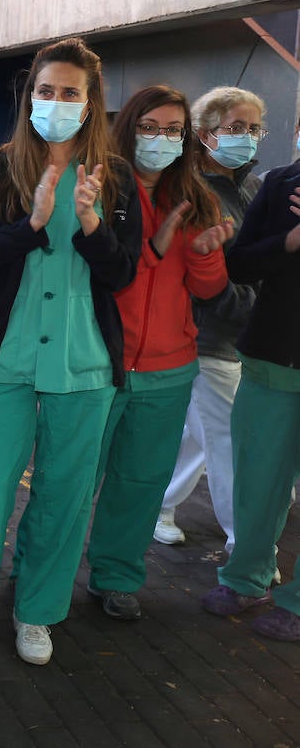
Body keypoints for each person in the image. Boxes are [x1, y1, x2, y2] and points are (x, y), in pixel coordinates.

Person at [0, 38, 141, 665]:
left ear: (91, 100)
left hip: (84, 363)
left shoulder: (116, 177)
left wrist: (94, 226)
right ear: (28, 98)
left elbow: (123, 274)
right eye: (44, 91)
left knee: (64, 494)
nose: (55, 102)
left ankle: (39, 611)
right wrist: (32, 226)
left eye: (69, 93)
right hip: (1, 359)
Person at [81, 85, 230, 620]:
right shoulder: (103, 189)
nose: (161, 139)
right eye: (150, 127)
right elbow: (108, 275)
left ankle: (116, 576)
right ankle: (37, 566)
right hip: (98, 363)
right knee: (71, 479)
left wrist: (207, 256)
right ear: (128, 130)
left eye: (173, 130)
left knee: (140, 484)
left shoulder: (196, 198)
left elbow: (209, 291)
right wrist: (155, 245)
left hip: (168, 369)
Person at [202, 109, 300, 642]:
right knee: (257, 480)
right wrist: (288, 242)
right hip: (268, 356)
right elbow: (238, 264)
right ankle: (245, 580)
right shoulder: (280, 183)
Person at [156, 87, 267, 549]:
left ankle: (158, 504)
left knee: (202, 434)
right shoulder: (191, 193)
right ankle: (247, 546)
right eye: (235, 128)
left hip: (244, 337)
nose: (247, 137)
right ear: (204, 135)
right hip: (204, 336)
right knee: (229, 441)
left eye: (254, 128)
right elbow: (195, 273)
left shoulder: (255, 189)